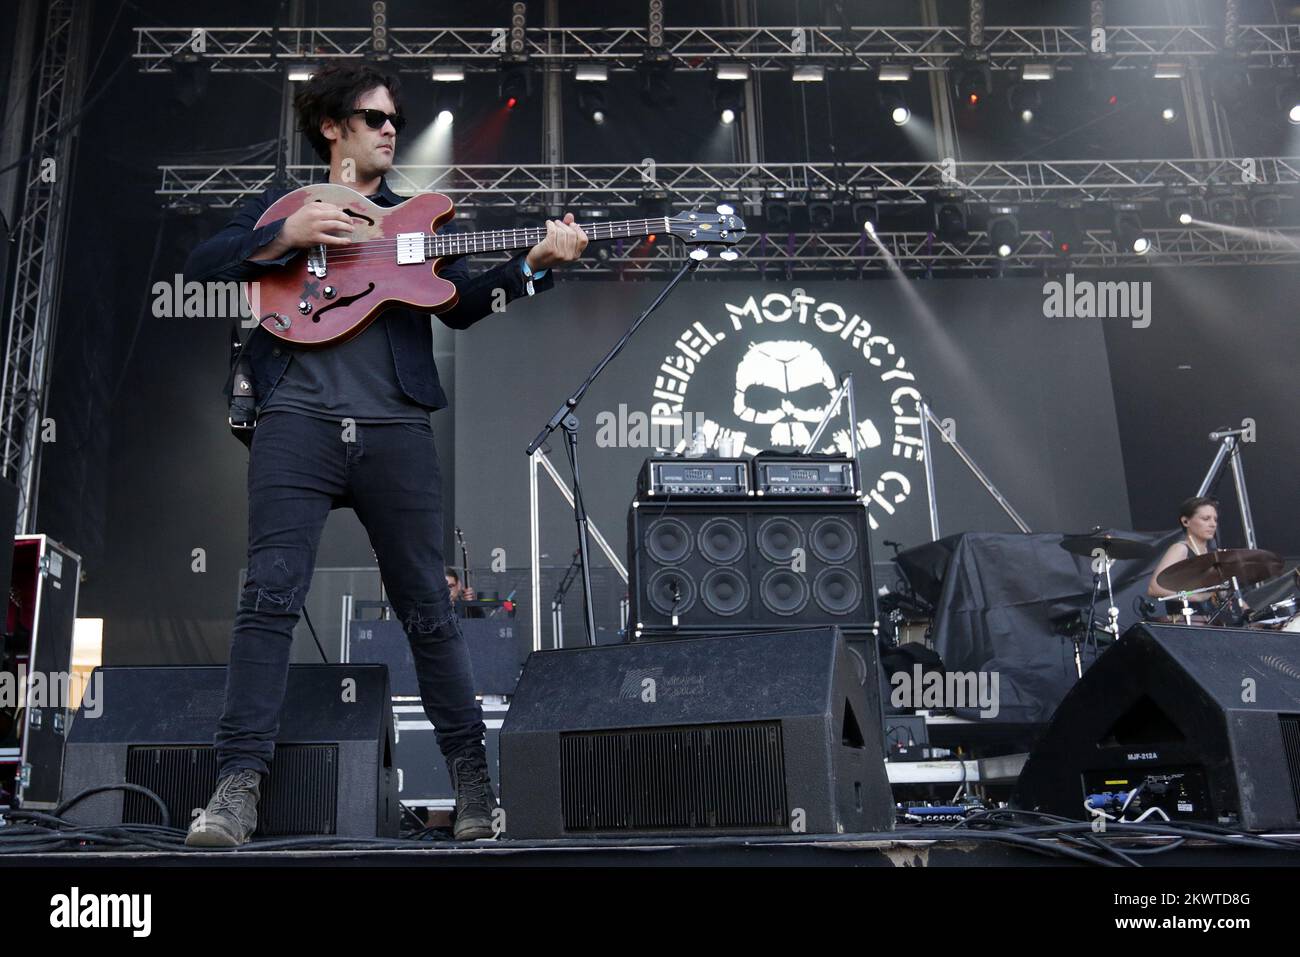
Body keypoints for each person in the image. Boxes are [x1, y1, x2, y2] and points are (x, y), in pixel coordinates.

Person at [183, 63, 587, 846]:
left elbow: (466, 305)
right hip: (294, 417)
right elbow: (204, 265)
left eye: (394, 118)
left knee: (430, 611)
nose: (390, 129)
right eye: (373, 117)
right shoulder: (284, 204)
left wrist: (537, 264)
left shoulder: (419, 220)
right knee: (268, 597)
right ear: (332, 126)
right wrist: (284, 237)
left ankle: (472, 779)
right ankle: (236, 788)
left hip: (396, 426)